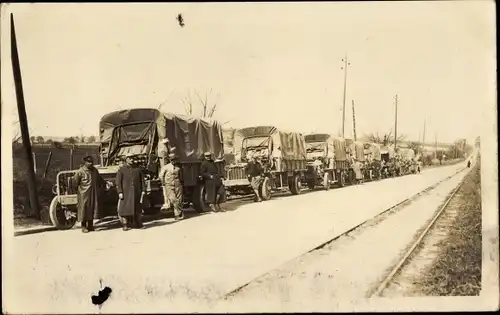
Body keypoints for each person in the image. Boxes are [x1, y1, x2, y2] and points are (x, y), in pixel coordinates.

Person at [73, 156, 108, 233]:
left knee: (92, 209)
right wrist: (79, 192)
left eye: (91, 162)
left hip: (93, 193)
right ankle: (84, 226)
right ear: (85, 162)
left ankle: (91, 225)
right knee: (84, 210)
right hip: (84, 194)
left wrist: (106, 183)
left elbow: (99, 179)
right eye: (88, 162)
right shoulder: (80, 171)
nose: (90, 163)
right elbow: (75, 183)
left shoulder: (95, 170)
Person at [116, 153, 146, 231]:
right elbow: (118, 182)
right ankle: (125, 224)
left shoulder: (138, 169)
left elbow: (142, 181)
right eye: (130, 158)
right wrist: (120, 192)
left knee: (137, 209)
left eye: (133, 158)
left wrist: (143, 190)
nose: (132, 160)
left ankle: (139, 223)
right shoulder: (122, 170)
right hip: (126, 193)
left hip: (136, 192)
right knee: (125, 209)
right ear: (126, 160)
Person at [162, 153, 184, 221]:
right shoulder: (166, 167)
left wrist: (181, 183)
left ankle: (177, 214)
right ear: (169, 160)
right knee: (173, 199)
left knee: (179, 199)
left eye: (174, 159)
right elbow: (161, 175)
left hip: (178, 185)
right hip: (169, 185)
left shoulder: (178, 167)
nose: (173, 161)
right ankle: (180, 211)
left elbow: (181, 176)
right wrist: (163, 183)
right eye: (172, 160)